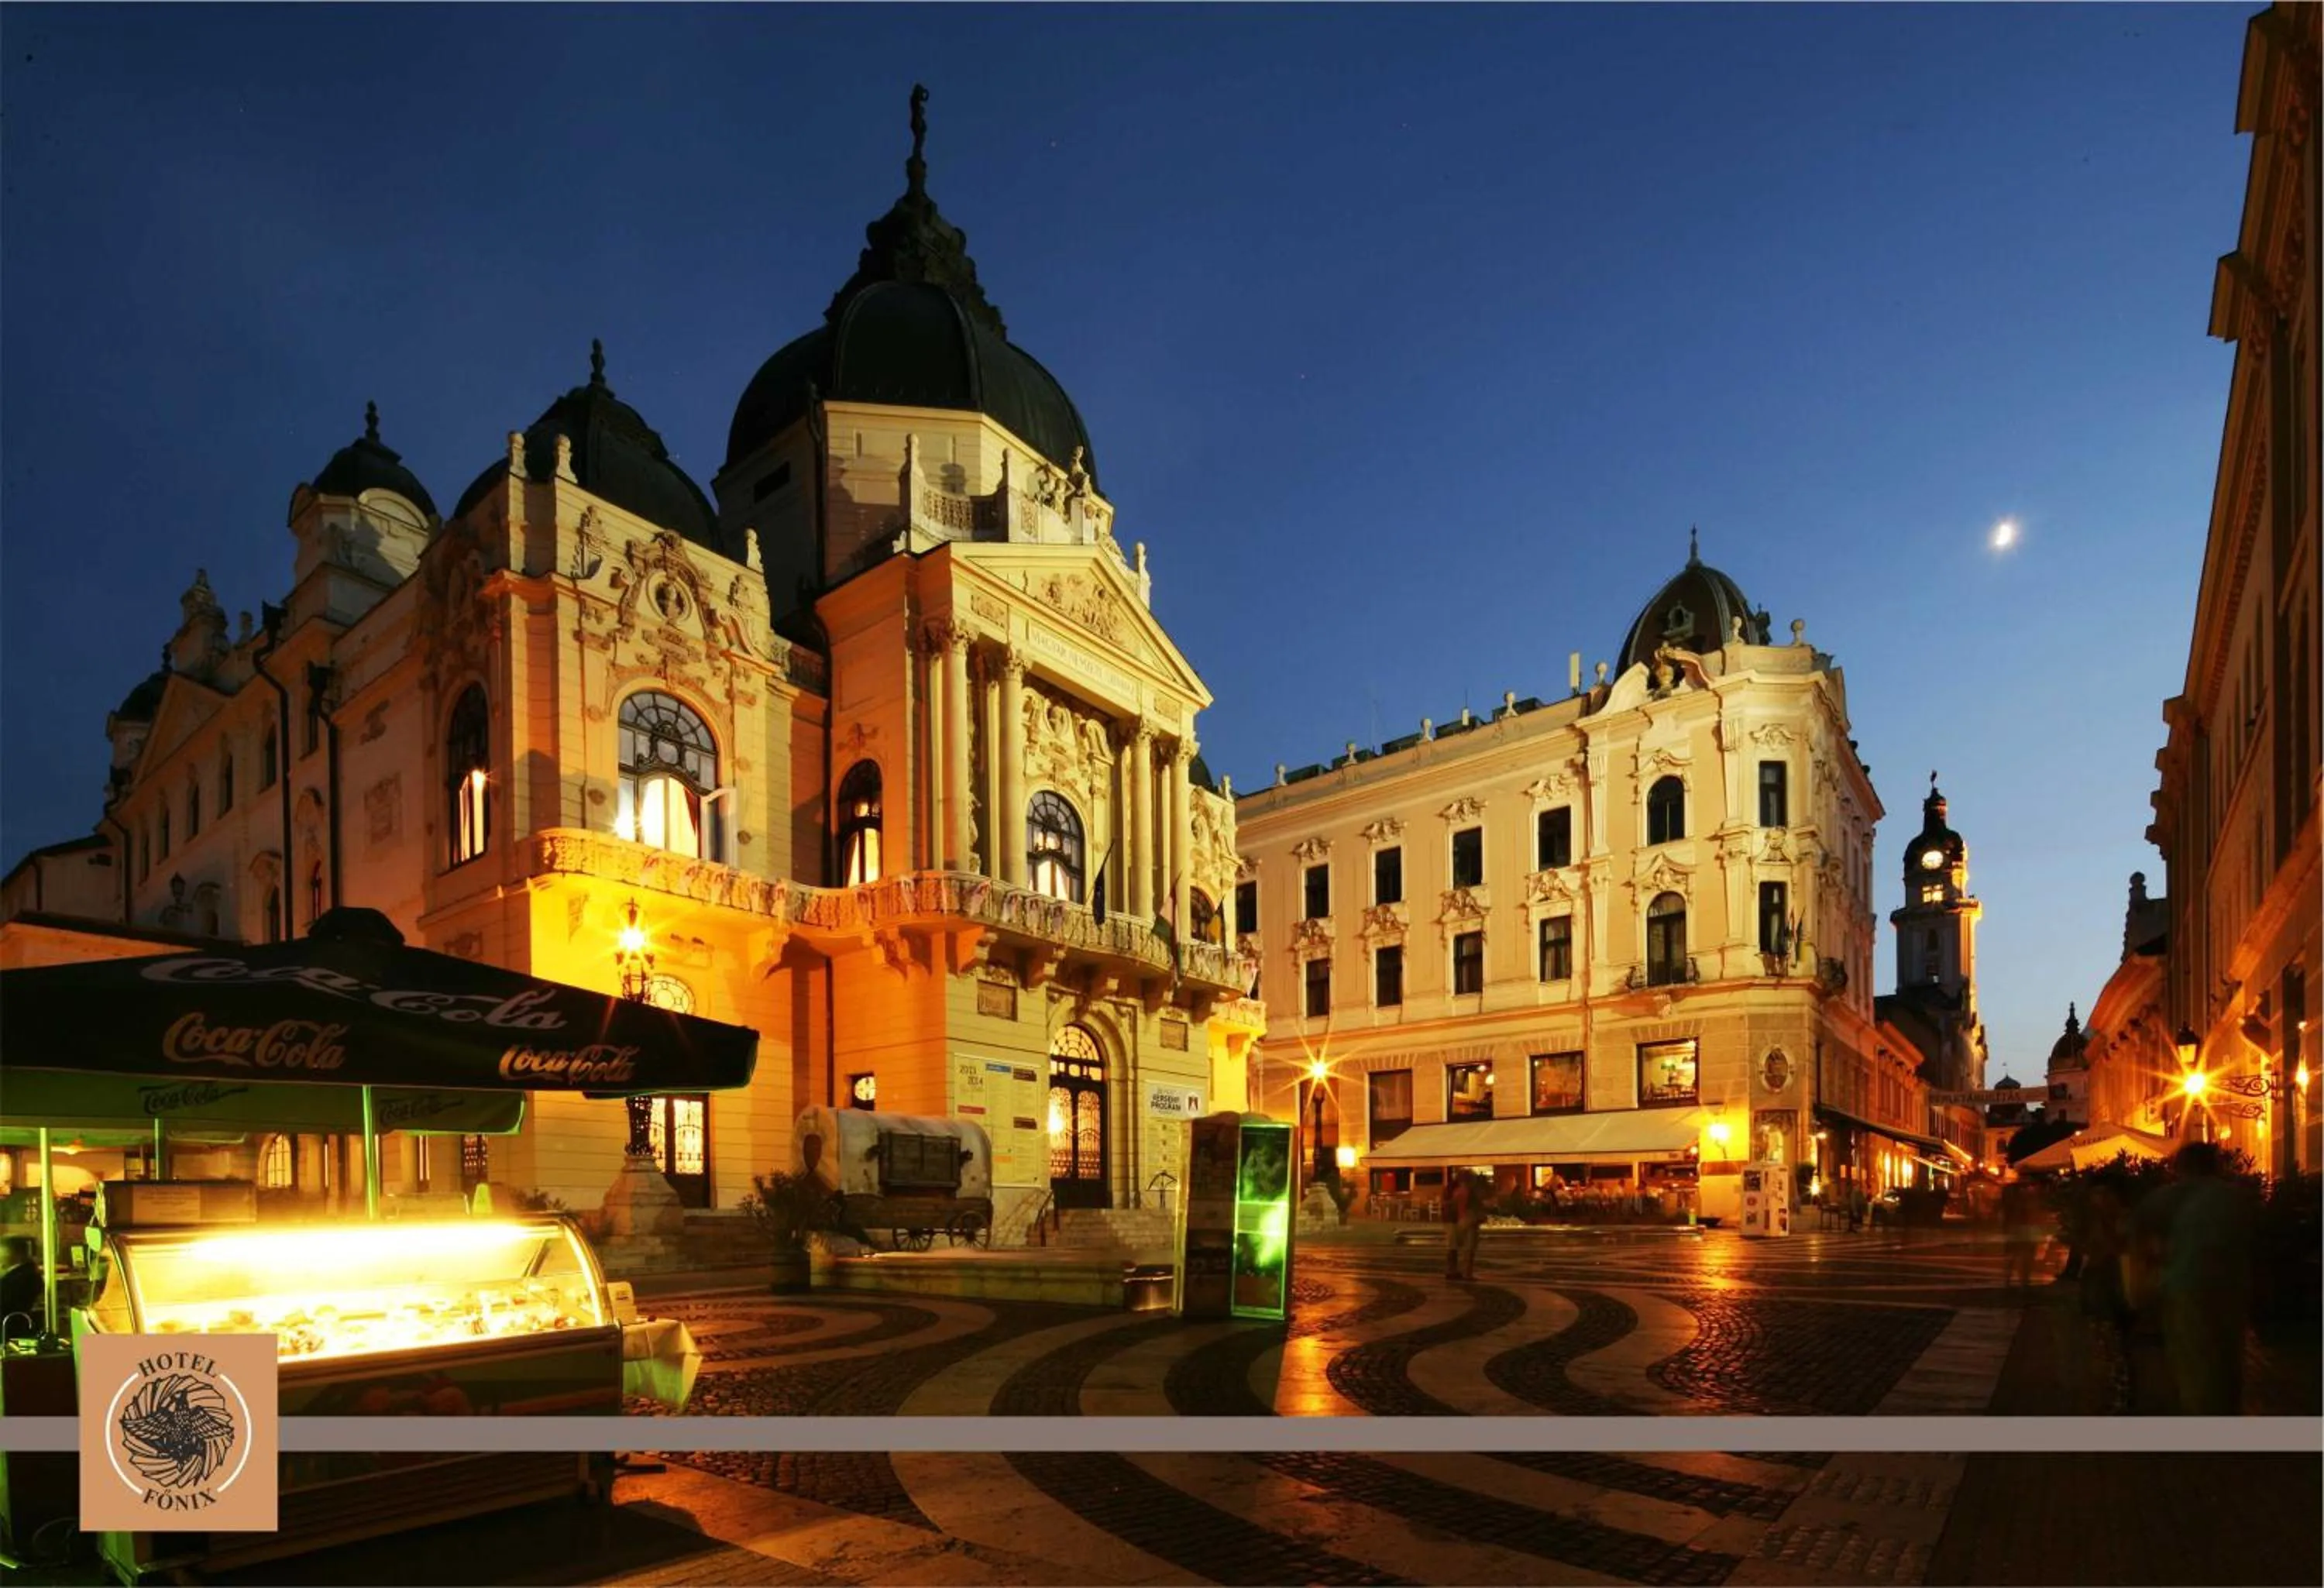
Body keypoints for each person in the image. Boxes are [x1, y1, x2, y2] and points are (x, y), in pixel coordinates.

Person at [2134, 1141, 2254, 1415]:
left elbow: (2138, 1226)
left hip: (2186, 1285)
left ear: (2182, 1167)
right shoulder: (2234, 1197)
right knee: (2228, 1354)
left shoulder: (2170, 1196)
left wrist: (2149, 1267)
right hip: (2232, 1286)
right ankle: (2228, 1412)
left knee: (2195, 1358)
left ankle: (2203, 1422)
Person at [0, 1235, 43, 1338]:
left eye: (2, 1251)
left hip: (11, 1330)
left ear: (17, 1254)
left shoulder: (23, 1277)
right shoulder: (22, 1273)